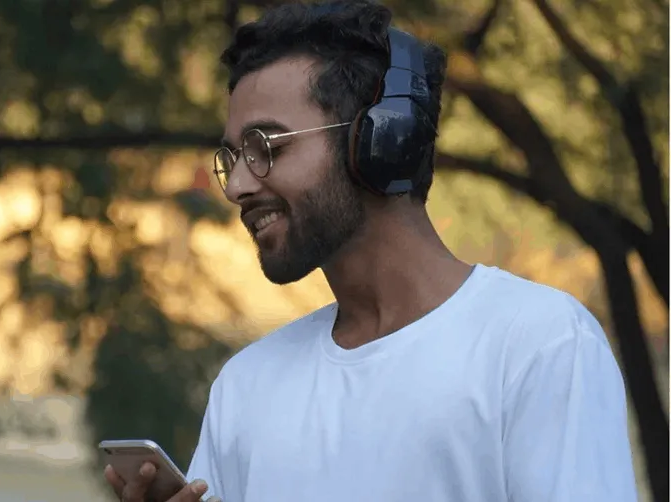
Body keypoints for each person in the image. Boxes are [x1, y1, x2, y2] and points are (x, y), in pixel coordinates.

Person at [104, 1, 639, 501]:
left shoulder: (537, 346)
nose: (236, 184)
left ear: (380, 142)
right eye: (233, 156)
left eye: (266, 147)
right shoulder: (245, 387)